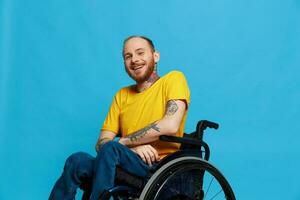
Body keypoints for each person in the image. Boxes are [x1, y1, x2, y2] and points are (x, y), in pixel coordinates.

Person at [49, 35, 190, 200]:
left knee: (112, 148)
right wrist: (131, 149)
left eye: (140, 53)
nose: (134, 60)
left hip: (158, 166)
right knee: (77, 160)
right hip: (121, 160)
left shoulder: (173, 79)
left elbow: (170, 125)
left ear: (155, 56)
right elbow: (101, 142)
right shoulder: (122, 95)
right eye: (128, 56)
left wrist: (123, 143)